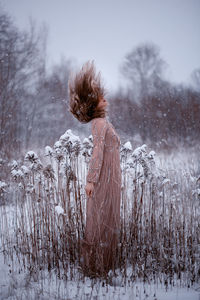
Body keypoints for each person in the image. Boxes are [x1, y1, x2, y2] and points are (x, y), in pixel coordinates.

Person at [68, 61, 121, 276]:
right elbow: (97, 151)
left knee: (107, 219)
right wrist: (91, 180)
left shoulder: (103, 121)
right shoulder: (99, 124)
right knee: (99, 220)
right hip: (103, 180)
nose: (104, 98)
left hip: (111, 178)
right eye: (99, 96)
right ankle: (95, 267)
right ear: (93, 102)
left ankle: (103, 266)